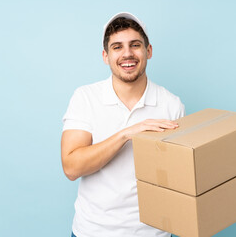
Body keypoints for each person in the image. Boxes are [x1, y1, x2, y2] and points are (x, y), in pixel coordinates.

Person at [61, 12, 185, 237]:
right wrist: (126, 134)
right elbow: (71, 167)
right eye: (117, 47)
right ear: (105, 56)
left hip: (153, 233)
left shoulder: (171, 104)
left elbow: (178, 176)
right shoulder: (85, 98)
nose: (127, 54)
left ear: (148, 51)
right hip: (93, 231)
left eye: (135, 45)